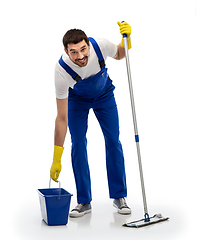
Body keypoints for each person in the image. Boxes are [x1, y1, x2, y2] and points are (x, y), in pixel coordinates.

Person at [50, 22, 132, 218]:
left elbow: (121, 54)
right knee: (78, 144)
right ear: (66, 51)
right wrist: (56, 157)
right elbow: (61, 118)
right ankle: (84, 201)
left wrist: (126, 38)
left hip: (104, 95)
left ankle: (119, 196)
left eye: (83, 49)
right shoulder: (61, 71)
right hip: (77, 100)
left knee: (113, 141)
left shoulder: (100, 46)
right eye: (74, 52)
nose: (80, 56)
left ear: (88, 44)